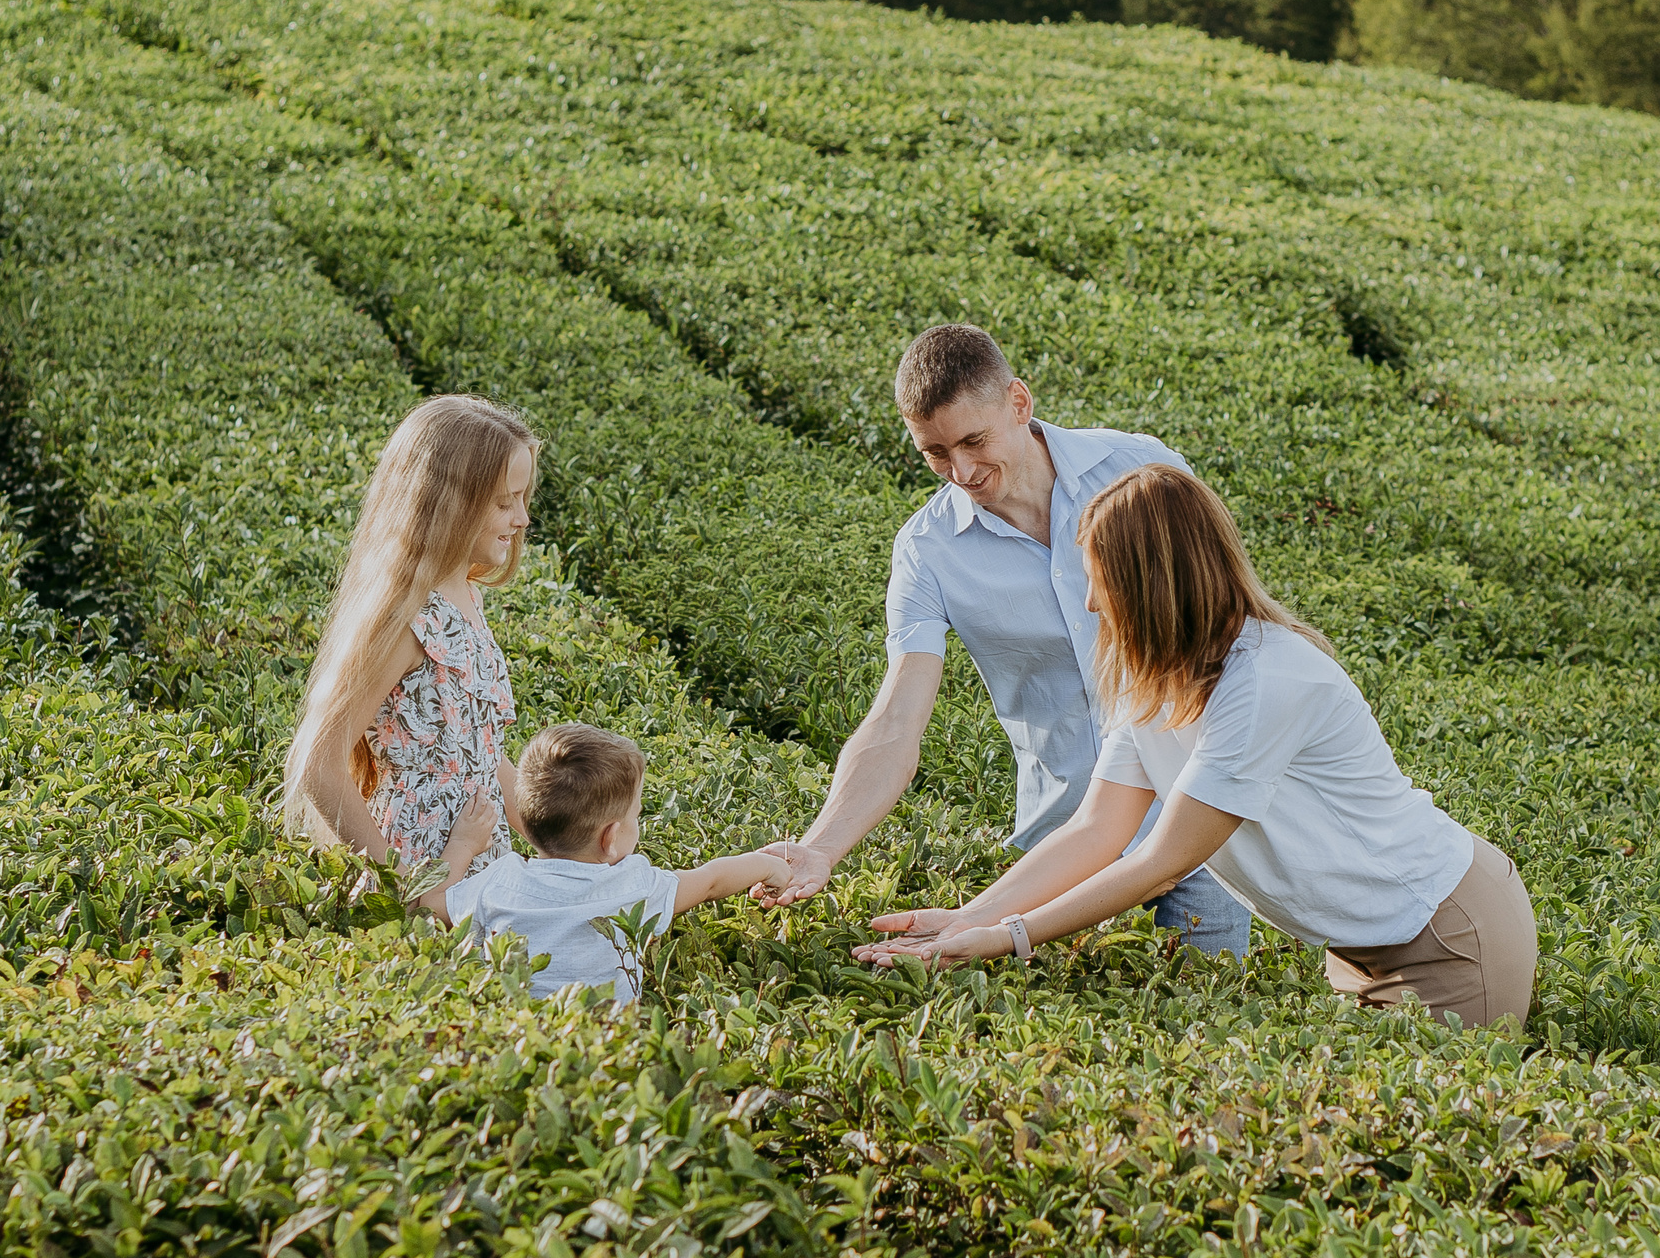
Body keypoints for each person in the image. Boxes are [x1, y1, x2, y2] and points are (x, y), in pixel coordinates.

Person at [855, 465, 1537, 1029]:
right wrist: (969, 918)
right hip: (1358, 945)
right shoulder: (1153, 683)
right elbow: (1096, 831)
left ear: (1152, 585)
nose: (1090, 601)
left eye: (1100, 578)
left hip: (1447, 935)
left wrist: (1009, 937)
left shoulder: (1266, 680)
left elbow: (1160, 861)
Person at [760, 324, 1252, 955]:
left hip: (1193, 828)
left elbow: (1228, 629)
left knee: (1215, 1034)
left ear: (1019, 403)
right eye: (934, 453)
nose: (960, 471)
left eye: (973, 440)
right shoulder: (928, 551)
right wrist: (821, 846)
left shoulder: (1140, 469)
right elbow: (896, 720)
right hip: (1064, 844)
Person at [282, 395, 534, 915]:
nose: (523, 518)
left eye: (522, 498)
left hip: (482, 870)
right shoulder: (408, 618)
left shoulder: (466, 597)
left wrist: (571, 843)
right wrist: (399, 890)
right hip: (422, 874)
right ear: (452, 503)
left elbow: (476, 754)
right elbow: (318, 762)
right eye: (505, 503)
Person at [446, 723, 794, 1001]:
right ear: (610, 838)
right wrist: (767, 866)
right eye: (636, 814)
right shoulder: (633, 887)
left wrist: (463, 844)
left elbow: (429, 905)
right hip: (609, 1051)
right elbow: (711, 881)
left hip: (511, 1040)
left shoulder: (499, 881)